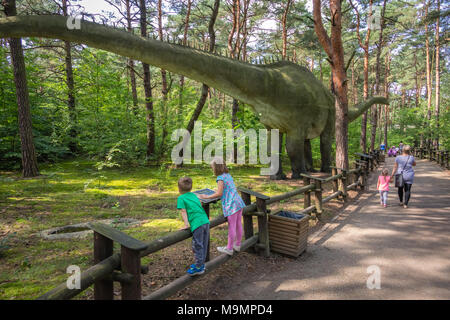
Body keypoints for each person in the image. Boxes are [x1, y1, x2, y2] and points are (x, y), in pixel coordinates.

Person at [198, 156, 245, 256]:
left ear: (216, 168)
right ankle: (237, 244)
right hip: (238, 202)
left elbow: (219, 193)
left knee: (232, 226)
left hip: (231, 204)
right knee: (238, 224)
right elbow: (226, 189)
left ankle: (229, 248)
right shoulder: (227, 175)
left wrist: (206, 196)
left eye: (212, 167)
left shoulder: (220, 178)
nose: (212, 169)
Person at [177, 177, 211, 276]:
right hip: (205, 221)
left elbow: (183, 211)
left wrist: (186, 224)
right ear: (191, 188)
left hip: (197, 224)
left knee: (197, 245)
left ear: (179, 188)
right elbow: (199, 204)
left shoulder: (181, 198)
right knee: (203, 243)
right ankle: (201, 264)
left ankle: (198, 267)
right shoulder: (194, 195)